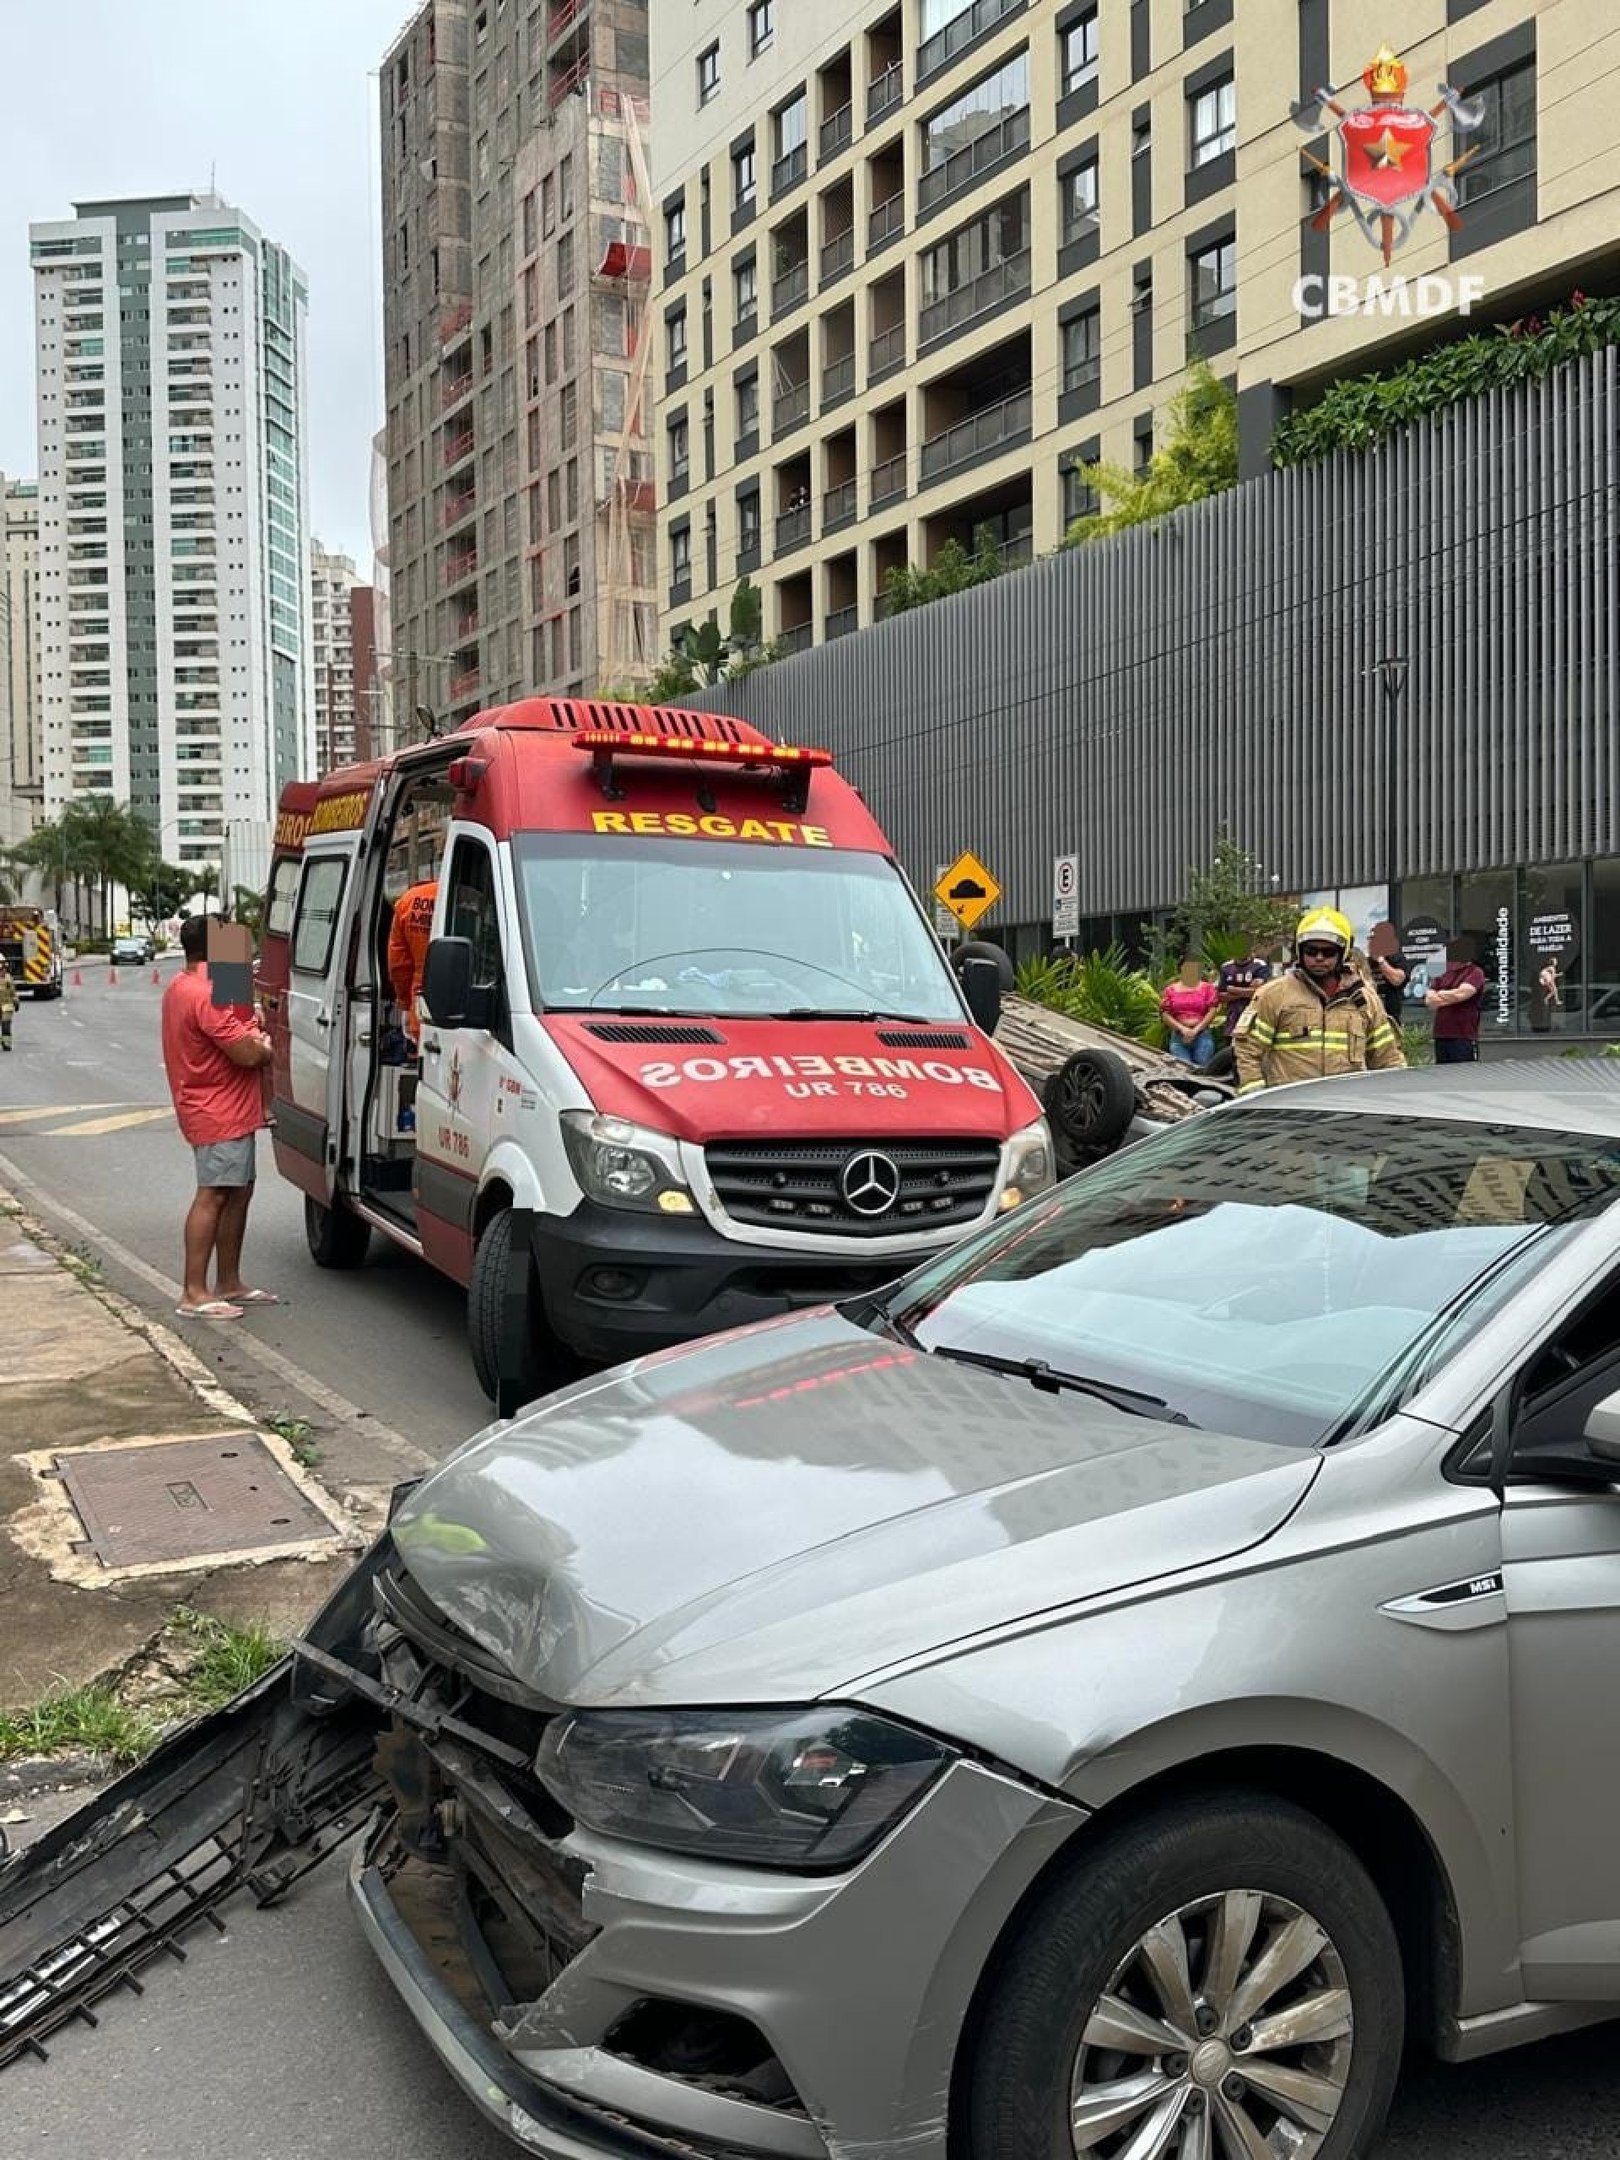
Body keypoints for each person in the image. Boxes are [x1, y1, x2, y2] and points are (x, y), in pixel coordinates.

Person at [160, 913, 277, 1320]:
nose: (238, 945)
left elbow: (243, 1019)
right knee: (214, 1194)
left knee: (238, 1191)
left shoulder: (194, 984)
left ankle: (228, 1281)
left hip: (234, 1110)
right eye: (229, 940)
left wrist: (252, 1018)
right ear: (214, 949)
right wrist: (265, 1047)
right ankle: (194, 1291)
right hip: (217, 1112)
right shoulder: (202, 994)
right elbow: (246, 1052)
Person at [1235, 906, 1407, 1093]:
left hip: (1346, 1110)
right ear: (1300, 951)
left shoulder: (1364, 999)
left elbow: (1388, 1058)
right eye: (1311, 951)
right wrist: (1258, 1099)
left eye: (1328, 952)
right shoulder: (1273, 995)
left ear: (1343, 953)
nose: (1318, 958)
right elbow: (1247, 1052)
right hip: (1292, 1111)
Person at [388, 876, 439, 1045]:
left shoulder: (408, 901)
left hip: (420, 1003)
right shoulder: (466, 894)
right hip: (468, 1011)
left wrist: (404, 1003)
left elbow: (399, 965)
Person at [1426, 941, 1487, 1064]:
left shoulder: (1475, 972)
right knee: (1443, 1076)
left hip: (1463, 1036)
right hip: (1441, 1035)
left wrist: (1440, 994)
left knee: (1465, 1076)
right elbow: (1429, 1001)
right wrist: (1450, 995)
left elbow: (1462, 994)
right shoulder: (1441, 972)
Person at [1160, 956, 1220, 1068]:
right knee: (1182, 1069)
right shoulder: (1170, 990)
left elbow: (1212, 1010)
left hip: (1202, 1035)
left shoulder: (1207, 988)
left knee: (1202, 1070)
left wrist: (1196, 1030)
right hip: (1179, 1036)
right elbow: (1165, 1013)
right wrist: (1182, 1029)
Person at [1216, 944, 1272, 1032]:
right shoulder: (1226, 967)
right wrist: (1246, 991)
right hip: (1233, 1016)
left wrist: (1232, 989)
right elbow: (1220, 996)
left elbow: (1260, 992)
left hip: (1255, 1013)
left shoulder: (1260, 965)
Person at [0, 956, 15, 1051]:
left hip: (6, 1004)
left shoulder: (8, 978)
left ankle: (6, 1043)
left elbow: (12, 991)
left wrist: (16, 1001)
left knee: (6, 1024)